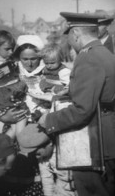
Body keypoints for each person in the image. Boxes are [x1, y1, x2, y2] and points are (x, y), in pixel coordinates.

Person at [37, 12, 115, 196]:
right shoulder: (105, 53)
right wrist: (72, 90)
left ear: (76, 33)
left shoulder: (87, 57)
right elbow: (101, 91)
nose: (69, 42)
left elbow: (82, 110)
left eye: (69, 36)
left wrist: (49, 120)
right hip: (108, 137)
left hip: (95, 145)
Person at [0, 35, 46, 196]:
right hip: (14, 122)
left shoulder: (49, 70)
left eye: (34, 58)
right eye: (25, 59)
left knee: (37, 165)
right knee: (11, 163)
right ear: (18, 56)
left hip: (39, 126)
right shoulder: (10, 69)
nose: (30, 63)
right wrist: (3, 117)